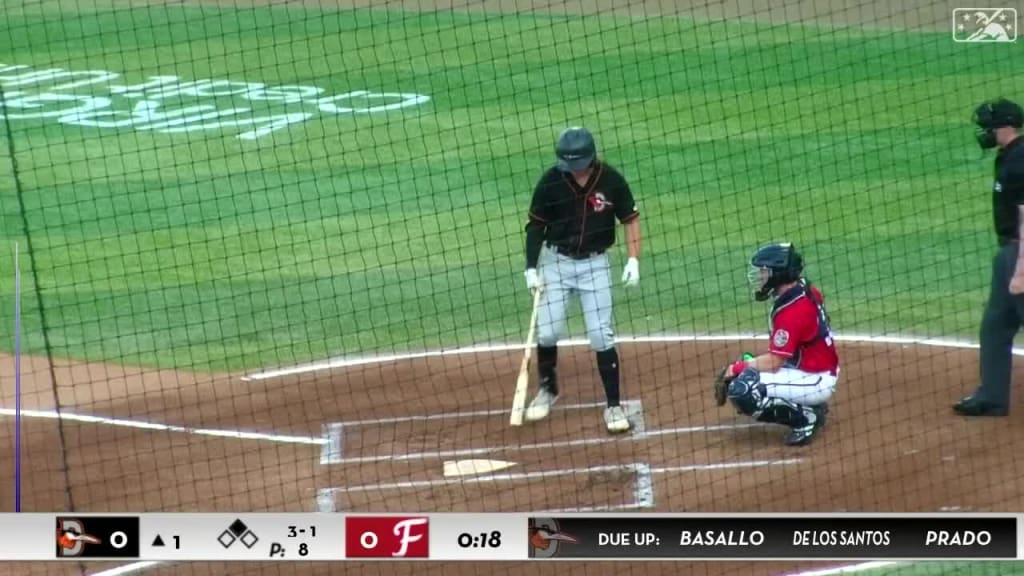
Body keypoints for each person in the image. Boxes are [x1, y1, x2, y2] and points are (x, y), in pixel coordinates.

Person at [522, 127, 642, 433]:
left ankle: (614, 406)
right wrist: (531, 268)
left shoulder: (611, 180)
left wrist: (633, 259)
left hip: (595, 265)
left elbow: (630, 219)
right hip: (556, 264)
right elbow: (535, 226)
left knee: (601, 335)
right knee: (547, 333)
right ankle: (548, 390)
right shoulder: (551, 181)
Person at [713, 243, 839, 446]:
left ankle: (807, 417)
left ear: (778, 275)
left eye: (764, 272)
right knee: (747, 366)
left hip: (815, 378)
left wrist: (734, 368)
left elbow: (775, 362)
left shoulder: (793, 311)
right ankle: (810, 406)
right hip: (809, 366)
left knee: (743, 389)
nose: (760, 277)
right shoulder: (802, 289)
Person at [954, 97, 1024, 417]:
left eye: (988, 127)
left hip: (1019, 252)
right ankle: (993, 397)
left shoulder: (1020, 160)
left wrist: (1021, 270)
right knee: (995, 325)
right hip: (1007, 253)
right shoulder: (1008, 155)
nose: (984, 132)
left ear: (1004, 127)